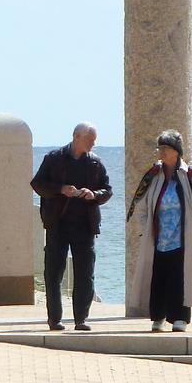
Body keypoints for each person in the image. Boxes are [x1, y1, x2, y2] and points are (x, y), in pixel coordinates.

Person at [126, 129, 192, 332]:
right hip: (158, 239)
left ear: (176, 151)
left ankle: (180, 318)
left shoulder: (191, 174)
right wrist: (145, 227)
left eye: (166, 148)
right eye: (160, 148)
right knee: (158, 278)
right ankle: (158, 317)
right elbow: (141, 204)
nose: (161, 152)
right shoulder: (154, 175)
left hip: (183, 238)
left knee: (180, 278)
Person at [30, 122, 112, 331]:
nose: (94, 143)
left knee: (85, 273)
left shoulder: (95, 163)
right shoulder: (54, 158)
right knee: (53, 272)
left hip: (85, 225)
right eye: (90, 139)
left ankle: (81, 319)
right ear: (76, 136)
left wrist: (94, 194)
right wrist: (61, 189)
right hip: (57, 224)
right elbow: (38, 184)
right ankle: (54, 319)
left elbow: (107, 190)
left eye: (94, 140)